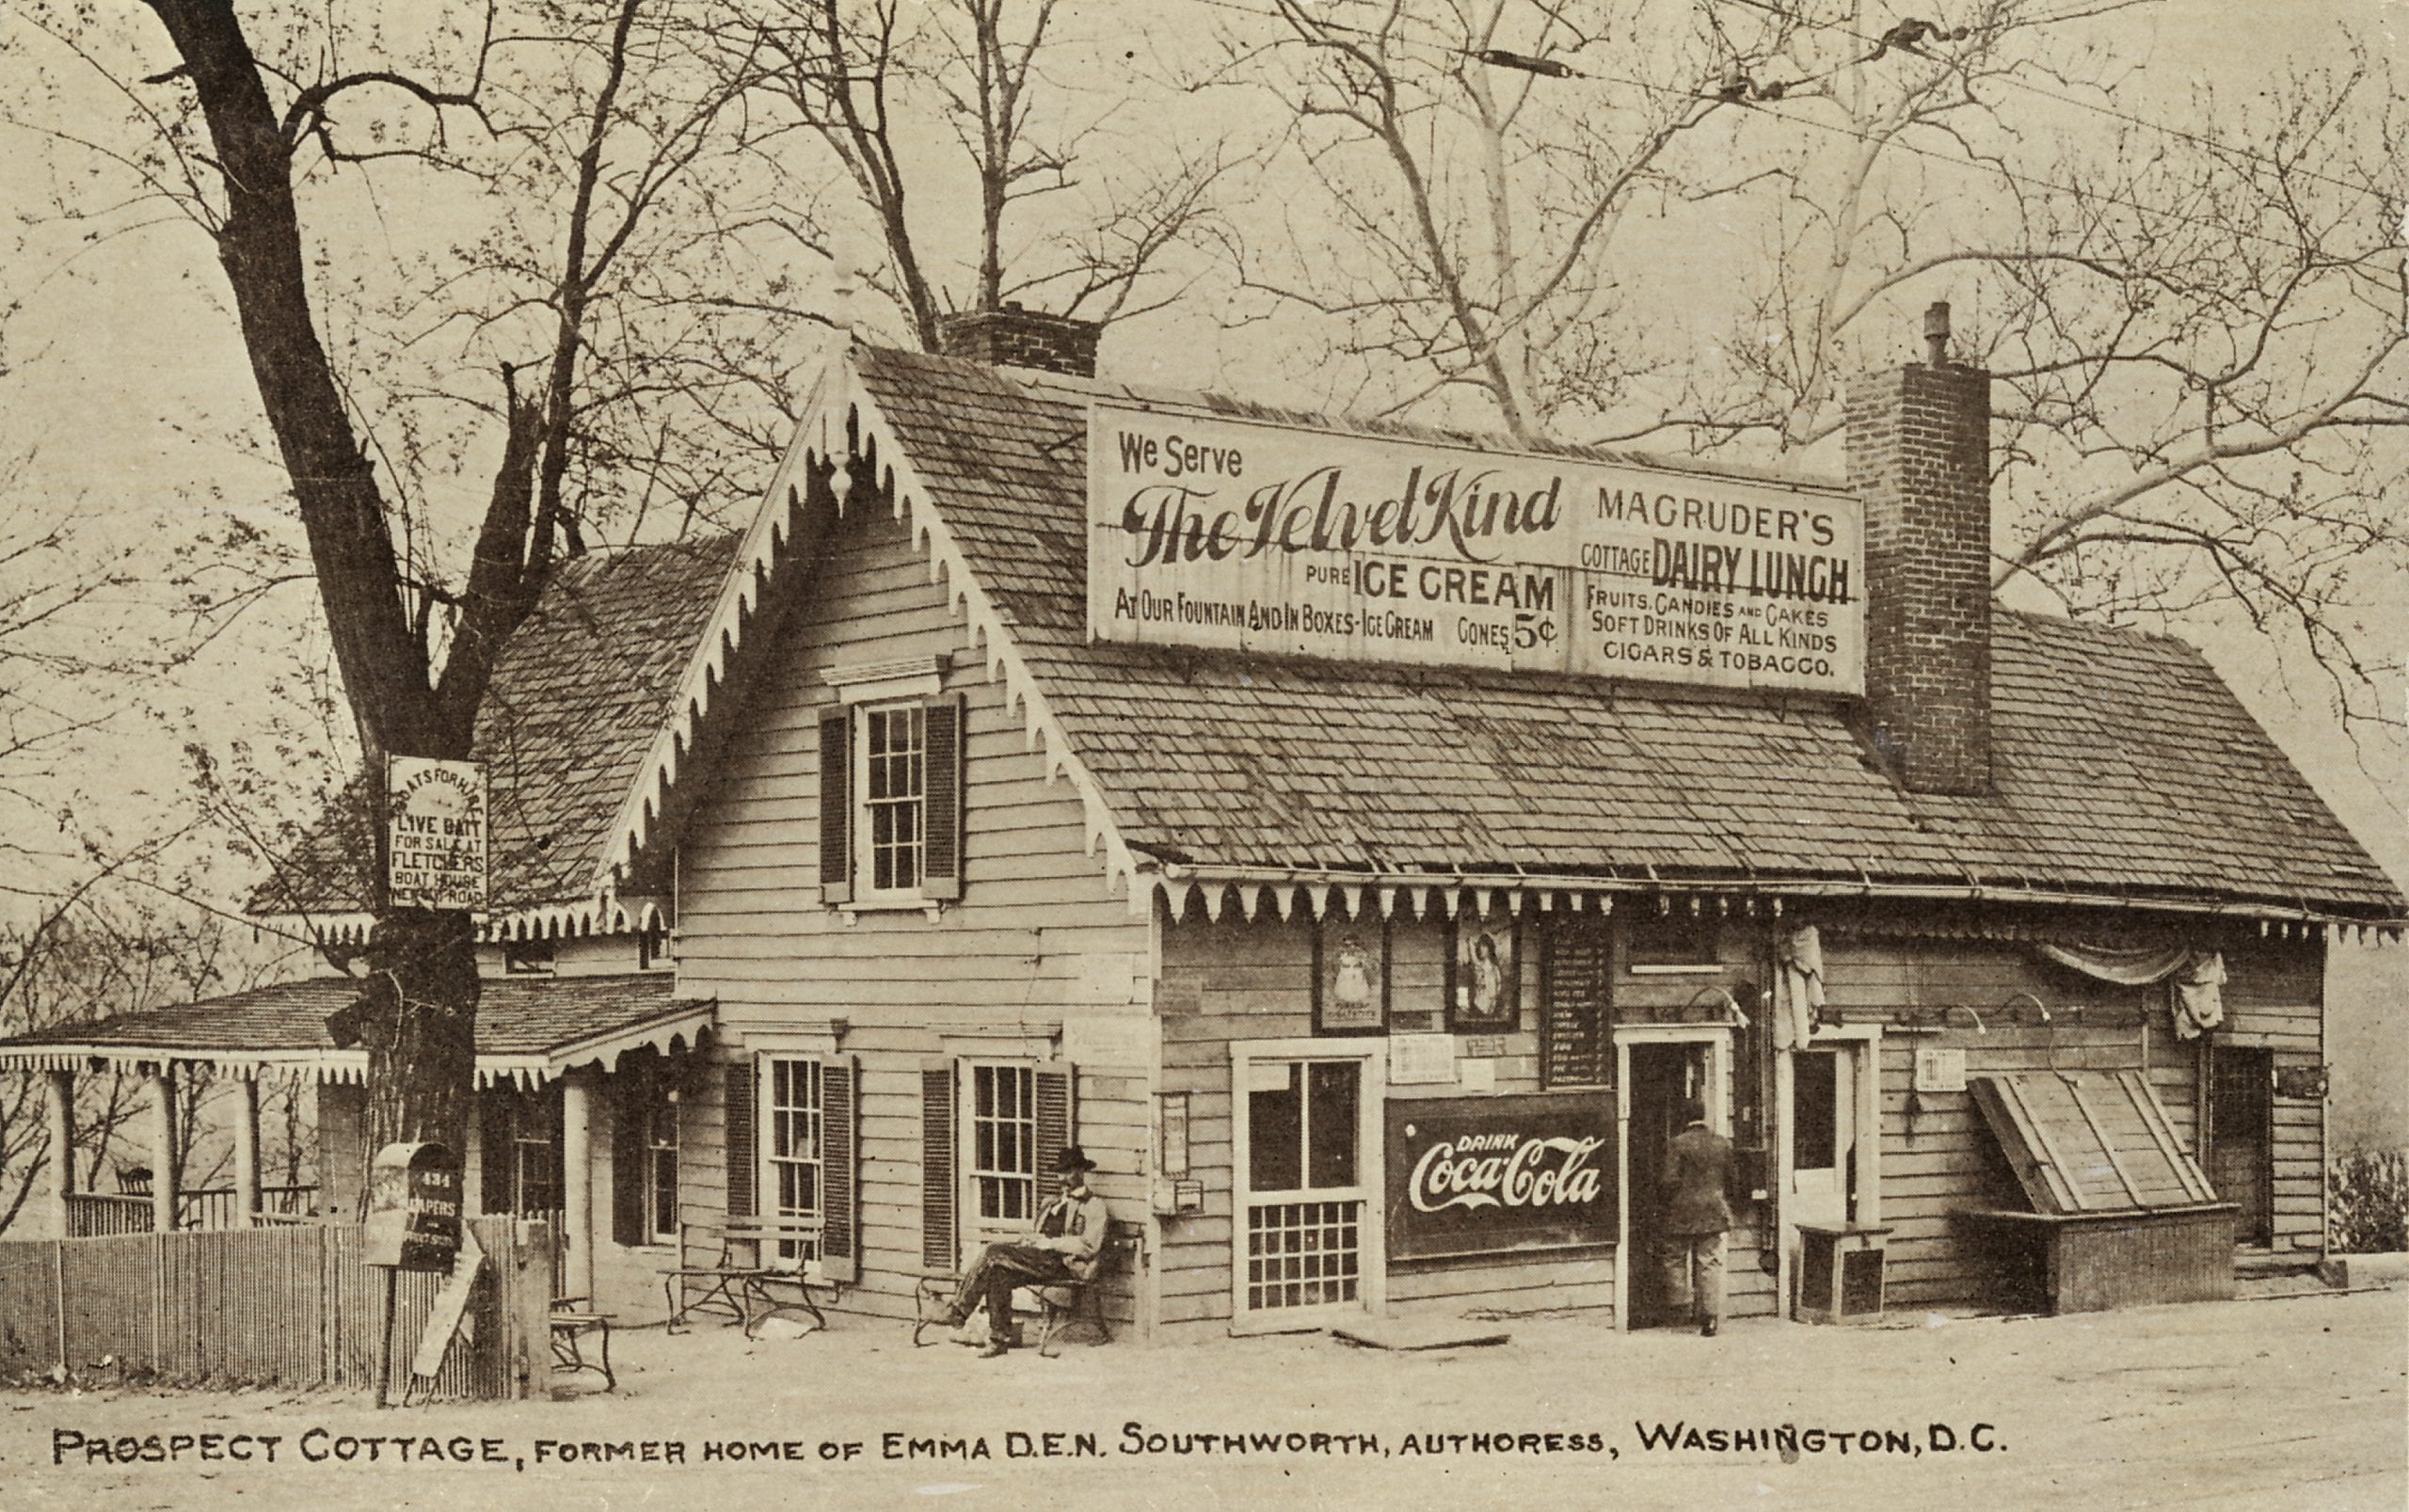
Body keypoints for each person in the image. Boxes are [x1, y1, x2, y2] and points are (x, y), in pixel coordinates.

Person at [936, 1147, 1109, 1358]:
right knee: (998, 1272)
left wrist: (1051, 1243)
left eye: (1069, 1172)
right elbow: (1039, 1233)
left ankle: (959, 1310)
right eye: (1060, 1172)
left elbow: (1089, 1246)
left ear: (1082, 1172)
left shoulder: (1094, 1205)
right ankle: (999, 1340)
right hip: (1038, 1260)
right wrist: (1032, 1240)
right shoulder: (1050, 1203)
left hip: (1063, 1264)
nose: (1062, 1178)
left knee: (993, 1251)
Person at [1659, 1098, 1736, 1337]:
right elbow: (1733, 1180)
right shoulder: (1722, 1143)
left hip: (1681, 1212)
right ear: (1704, 1115)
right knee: (1709, 1263)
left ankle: (1681, 1309)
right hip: (1713, 1211)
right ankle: (1710, 1319)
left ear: (1684, 1118)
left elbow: (1669, 1181)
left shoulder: (1677, 1144)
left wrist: (1665, 1200)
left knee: (1674, 1259)